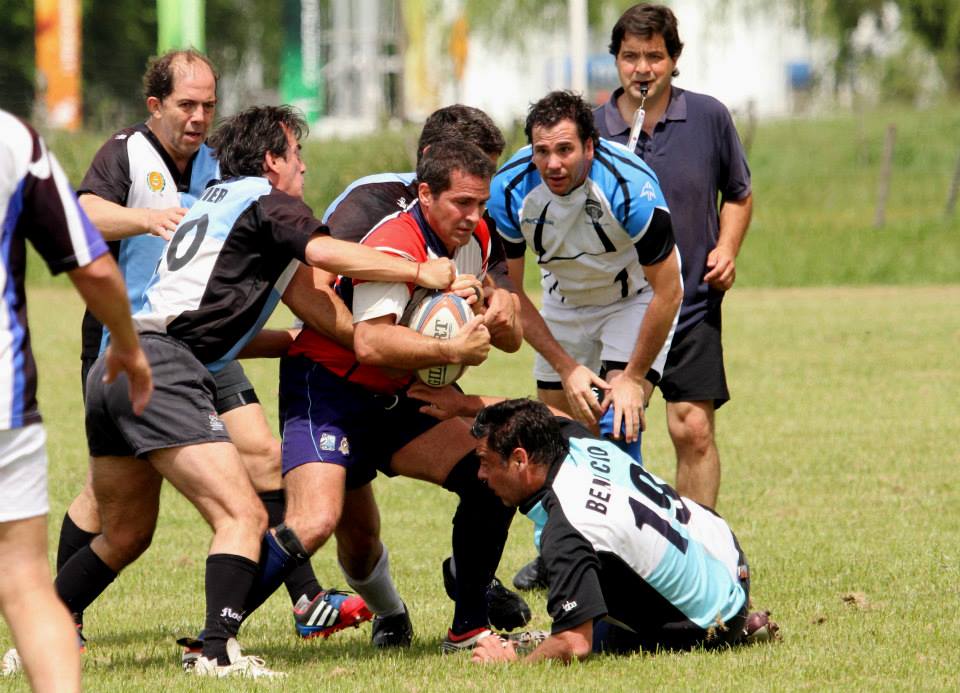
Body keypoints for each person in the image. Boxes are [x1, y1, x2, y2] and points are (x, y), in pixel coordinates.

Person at [52, 105, 455, 678]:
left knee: (124, 532)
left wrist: (326, 344)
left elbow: (323, 322)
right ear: (272, 161)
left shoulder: (222, 208)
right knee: (242, 514)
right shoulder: (266, 201)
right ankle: (215, 652)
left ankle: (39, 633)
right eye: (297, 156)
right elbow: (323, 253)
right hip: (164, 369)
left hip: (116, 366)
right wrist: (420, 275)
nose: (305, 169)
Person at [56, 48, 330, 640]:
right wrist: (144, 219)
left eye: (208, 104)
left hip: (199, 346)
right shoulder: (126, 151)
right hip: (126, 341)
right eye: (186, 104)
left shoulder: (220, 165)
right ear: (155, 106)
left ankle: (305, 598)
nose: (199, 116)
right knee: (113, 508)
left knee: (261, 452)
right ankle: (61, 618)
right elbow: (79, 213)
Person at [257, 139, 526, 654]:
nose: (473, 216)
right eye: (462, 204)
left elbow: (509, 340)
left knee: (489, 474)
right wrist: (451, 347)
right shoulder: (395, 237)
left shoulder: (478, 239)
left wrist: (499, 315)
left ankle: (468, 627)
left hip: (402, 395)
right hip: (330, 387)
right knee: (333, 533)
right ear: (426, 193)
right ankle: (215, 638)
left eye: (481, 204)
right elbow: (371, 341)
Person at [487, 90, 683, 590]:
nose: (552, 163)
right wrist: (567, 366)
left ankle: (628, 557)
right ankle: (557, 549)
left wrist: (632, 377)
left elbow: (669, 288)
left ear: (591, 147)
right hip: (563, 305)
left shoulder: (628, 186)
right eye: (541, 151)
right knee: (551, 434)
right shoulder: (509, 190)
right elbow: (509, 290)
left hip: (633, 298)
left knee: (618, 419)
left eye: (565, 150)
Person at [411, 394, 753, 663]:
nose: (481, 476)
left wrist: (509, 663)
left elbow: (575, 645)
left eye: (485, 463)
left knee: (588, 630)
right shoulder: (572, 438)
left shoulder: (565, 529)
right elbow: (544, 409)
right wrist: (463, 405)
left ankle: (736, 629)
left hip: (709, 625)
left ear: (519, 459)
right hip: (726, 556)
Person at [0, 111, 152, 691]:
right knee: (24, 581)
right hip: (5, 397)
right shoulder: (14, 140)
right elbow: (90, 265)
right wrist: (130, 345)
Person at [594, 3, 753, 510]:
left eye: (655, 57)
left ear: (675, 58)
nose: (643, 68)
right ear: (616, 60)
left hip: (690, 304)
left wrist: (726, 247)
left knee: (693, 429)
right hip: (610, 308)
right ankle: (595, 549)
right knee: (607, 438)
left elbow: (739, 193)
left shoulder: (708, 117)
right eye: (630, 56)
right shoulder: (587, 131)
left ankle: (698, 551)